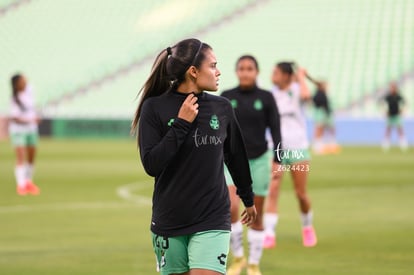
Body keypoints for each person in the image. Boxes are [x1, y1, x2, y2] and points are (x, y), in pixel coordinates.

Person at [131, 38, 257, 275]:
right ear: (193, 71)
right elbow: (151, 164)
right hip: (169, 220)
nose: (218, 72)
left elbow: (236, 157)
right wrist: (180, 124)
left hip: (213, 217)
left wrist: (248, 199)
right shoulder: (154, 108)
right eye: (213, 66)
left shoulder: (222, 108)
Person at [221, 55, 281, 275]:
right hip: (231, 162)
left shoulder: (266, 97)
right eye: (242, 68)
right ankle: (238, 258)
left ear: (257, 72)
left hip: (259, 160)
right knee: (231, 207)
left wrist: (278, 159)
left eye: (250, 68)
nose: (245, 72)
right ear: (237, 71)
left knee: (256, 213)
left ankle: (254, 263)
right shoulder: (227, 97)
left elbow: (276, 129)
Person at [263, 62, 317, 248]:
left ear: (286, 75)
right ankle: (269, 232)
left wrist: (301, 76)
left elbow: (307, 96)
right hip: (276, 148)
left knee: (301, 194)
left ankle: (307, 227)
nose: (273, 75)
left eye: (276, 72)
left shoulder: (296, 89)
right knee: (273, 190)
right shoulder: (271, 94)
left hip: (298, 149)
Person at [9, 74, 41, 196]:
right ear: (17, 84)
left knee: (31, 157)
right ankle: (21, 184)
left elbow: (33, 109)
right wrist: (31, 120)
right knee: (21, 156)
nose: (25, 81)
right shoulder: (14, 99)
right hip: (18, 131)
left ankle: (28, 182)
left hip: (31, 130)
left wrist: (35, 117)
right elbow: (15, 118)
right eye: (22, 80)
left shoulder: (29, 92)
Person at [311, 80, 340, 154]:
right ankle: (318, 147)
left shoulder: (325, 94)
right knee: (319, 129)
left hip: (326, 114)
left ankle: (331, 145)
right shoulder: (318, 94)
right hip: (320, 114)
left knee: (330, 129)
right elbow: (316, 103)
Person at [381, 82, 408, 151]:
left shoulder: (398, 96)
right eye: (391, 87)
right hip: (390, 115)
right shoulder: (388, 96)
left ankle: (402, 142)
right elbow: (381, 103)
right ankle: (386, 143)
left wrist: (402, 111)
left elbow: (404, 103)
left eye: (393, 87)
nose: (392, 89)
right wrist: (385, 112)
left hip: (397, 115)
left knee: (399, 129)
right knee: (388, 129)